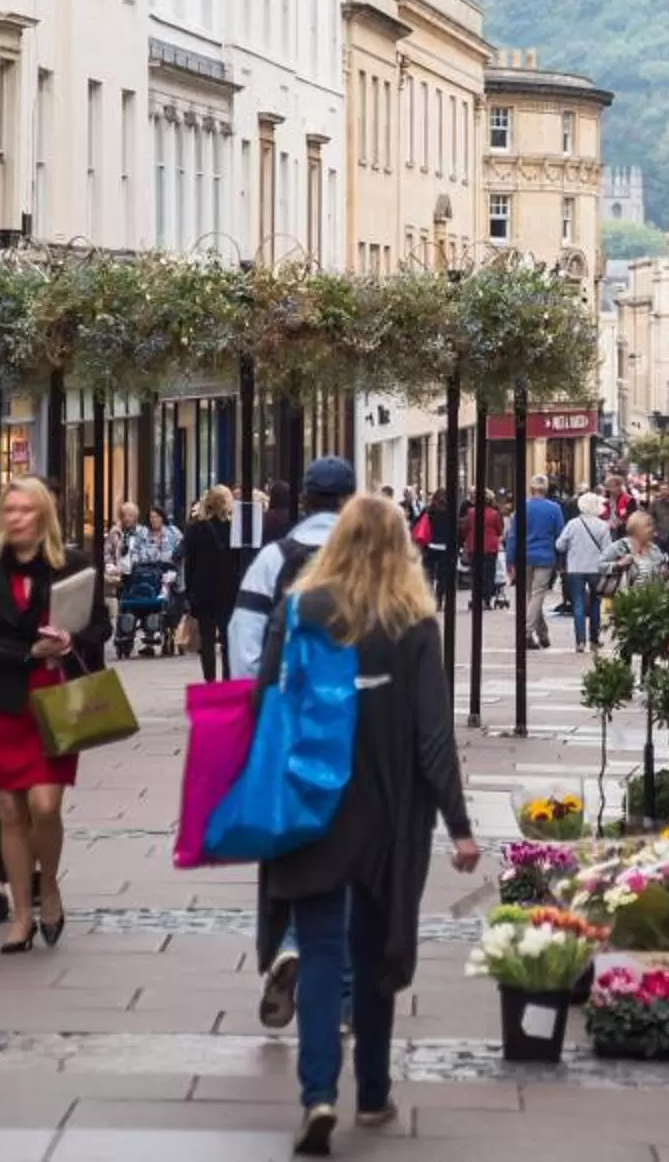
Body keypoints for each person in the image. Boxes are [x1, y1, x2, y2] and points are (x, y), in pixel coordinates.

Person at [254, 494, 480, 1154]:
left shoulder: (300, 609)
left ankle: (318, 1094)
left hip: (309, 807)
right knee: (374, 954)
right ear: (400, 550)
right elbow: (432, 736)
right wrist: (459, 826)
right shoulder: (412, 621)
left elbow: (267, 704)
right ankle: (374, 1091)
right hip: (383, 814)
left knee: (321, 953)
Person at [0, 476, 109, 954]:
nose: (14, 518)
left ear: (43, 516)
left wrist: (71, 642)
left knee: (45, 806)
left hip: (53, 700)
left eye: (24, 510)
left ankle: (47, 885)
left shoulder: (72, 565)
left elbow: (100, 626)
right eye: (8, 510)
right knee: (9, 809)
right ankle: (19, 914)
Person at [228, 455, 360, 1030]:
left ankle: (287, 940)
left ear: (304, 499)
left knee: (291, 844)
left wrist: (260, 711)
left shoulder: (273, 558)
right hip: (354, 723)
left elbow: (244, 637)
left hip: (286, 722)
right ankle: (347, 996)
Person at [180, 486, 242, 683]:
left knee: (206, 642)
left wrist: (189, 593)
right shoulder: (235, 528)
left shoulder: (196, 528)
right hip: (228, 590)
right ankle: (227, 681)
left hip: (203, 590)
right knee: (227, 640)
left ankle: (210, 683)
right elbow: (239, 560)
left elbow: (189, 563)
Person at [557, 494, 617, 651]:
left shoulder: (572, 524)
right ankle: (594, 639)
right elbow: (608, 550)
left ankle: (580, 641)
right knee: (596, 603)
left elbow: (560, 545)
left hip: (575, 568)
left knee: (578, 602)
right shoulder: (603, 526)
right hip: (596, 568)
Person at [520, 479, 566, 651]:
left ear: (531, 489)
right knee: (537, 595)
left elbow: (513, 535)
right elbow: (560, 534)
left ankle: (542, 634)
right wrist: (561, 559)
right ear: (546, 490)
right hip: (546, 555)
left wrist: (511, 559)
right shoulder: (554, 509)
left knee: (530, 595)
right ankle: (527, 632)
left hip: (525, 555)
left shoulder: (523, 507)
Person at [600, 508, 668, 597]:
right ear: (637, 528)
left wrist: (663, 571)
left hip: (651, 601)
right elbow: (600, 566)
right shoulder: (619, 547)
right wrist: (618, 564)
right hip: (625, 601)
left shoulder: (654, 549)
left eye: (652, 525)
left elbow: (663, 574)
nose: (652, 529)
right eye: (648, 526)